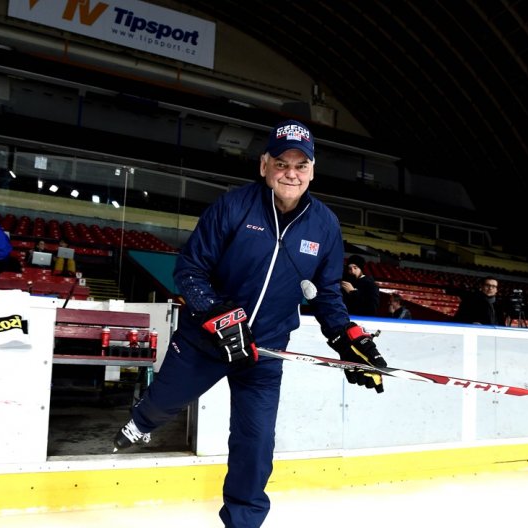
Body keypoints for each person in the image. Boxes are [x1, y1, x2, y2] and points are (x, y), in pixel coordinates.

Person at [111, 120, 388, 527]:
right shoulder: (232, 207)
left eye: (300, 164)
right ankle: (142, 420)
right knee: (165, 401)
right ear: (264, 166)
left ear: (312, 170)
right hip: (206, 340)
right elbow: (190, 270)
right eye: (281, 163)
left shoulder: (325, 225)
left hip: (263, 351)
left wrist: (346, 338)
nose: (290, 173)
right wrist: (218, 315)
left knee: (255, 444)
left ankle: (243, 520)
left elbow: (326, 292)